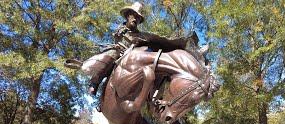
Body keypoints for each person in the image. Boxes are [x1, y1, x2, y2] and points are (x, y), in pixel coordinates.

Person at [68, 2, 207, 96]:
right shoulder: (120, 30)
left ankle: (152, 96)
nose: (135, 19)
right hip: (119, 52)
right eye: (133, 16)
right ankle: (95, 82)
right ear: (127, 16)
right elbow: (117, 40)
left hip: (134, 56)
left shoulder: (142, 35)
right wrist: (119, 37)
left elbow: (159, 40)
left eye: (138, 18)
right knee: (110, 55)